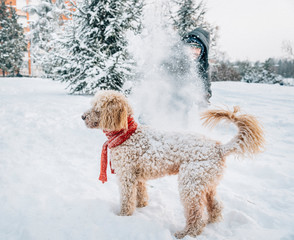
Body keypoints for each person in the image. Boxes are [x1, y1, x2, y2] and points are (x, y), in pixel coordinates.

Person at [183, 27, 212, 102]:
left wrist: (205, 95)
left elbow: (206, 87)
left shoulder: (203, 66)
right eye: (191, 47)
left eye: (197, 47)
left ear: (202, 50)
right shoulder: (175, 61)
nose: (194, 51)